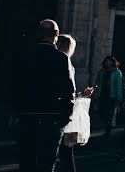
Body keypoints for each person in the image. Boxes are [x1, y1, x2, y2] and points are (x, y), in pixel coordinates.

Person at [18, 19, 75, 172]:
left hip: (27, 115)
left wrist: (18, 111)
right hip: (52, 116)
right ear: (56, 34)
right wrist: (66, 117)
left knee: (27, 161)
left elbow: (16, 84)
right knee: (47, 162)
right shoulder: (62, 59)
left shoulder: (24, 55)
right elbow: (69, 90)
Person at [55, 35, 94, 172]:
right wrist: (82, 95)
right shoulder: (65, 62)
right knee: (64, 151)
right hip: (60, 113)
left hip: (50, 111)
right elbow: (67, 92)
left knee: (61, 152)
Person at [93, 56, 122, 140]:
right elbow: (97, 82)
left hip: (111, 95)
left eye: (109, 61)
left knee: (110, 113)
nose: (108, 63)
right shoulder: (101, 72)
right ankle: (107, 125)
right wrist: (96, 92)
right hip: (102, 94)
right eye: (106, 61)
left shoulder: (117, 72)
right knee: (101, 111)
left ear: (113, 62)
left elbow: (118, 85)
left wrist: (119, 98)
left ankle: (108, 129)